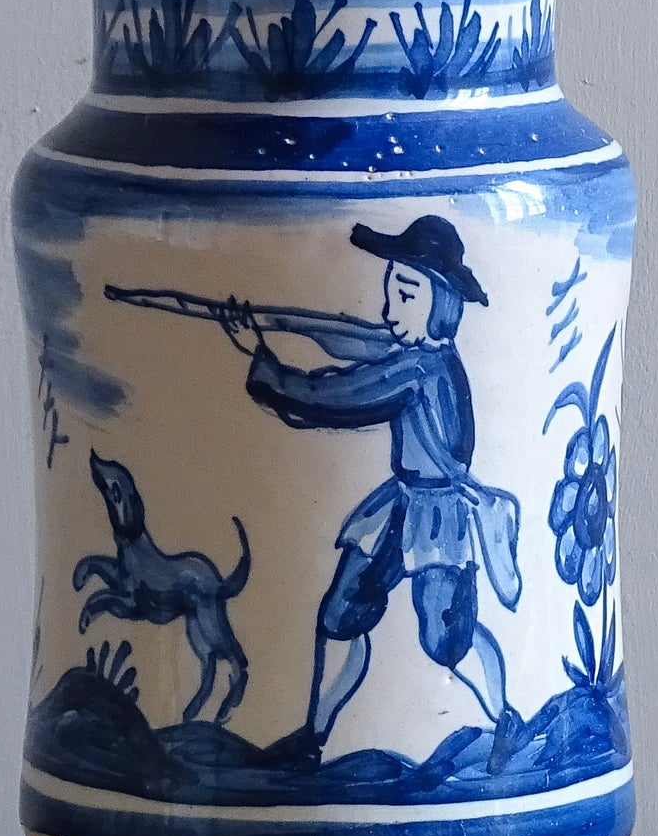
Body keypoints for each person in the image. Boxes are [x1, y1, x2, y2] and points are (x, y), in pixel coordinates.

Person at [220, 215, 524, 771]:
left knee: (445, 640)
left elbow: (334, 395)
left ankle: (507, 720)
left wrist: (263, 364)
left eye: (404, 294)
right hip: (401, 505)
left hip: (439, 521)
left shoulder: (419, 371)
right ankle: (312, 739)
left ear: (440, 301)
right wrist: (294, 328)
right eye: (390, 291)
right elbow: (354, 339)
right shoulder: (419, 352)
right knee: (342, 614)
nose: (390, 309)